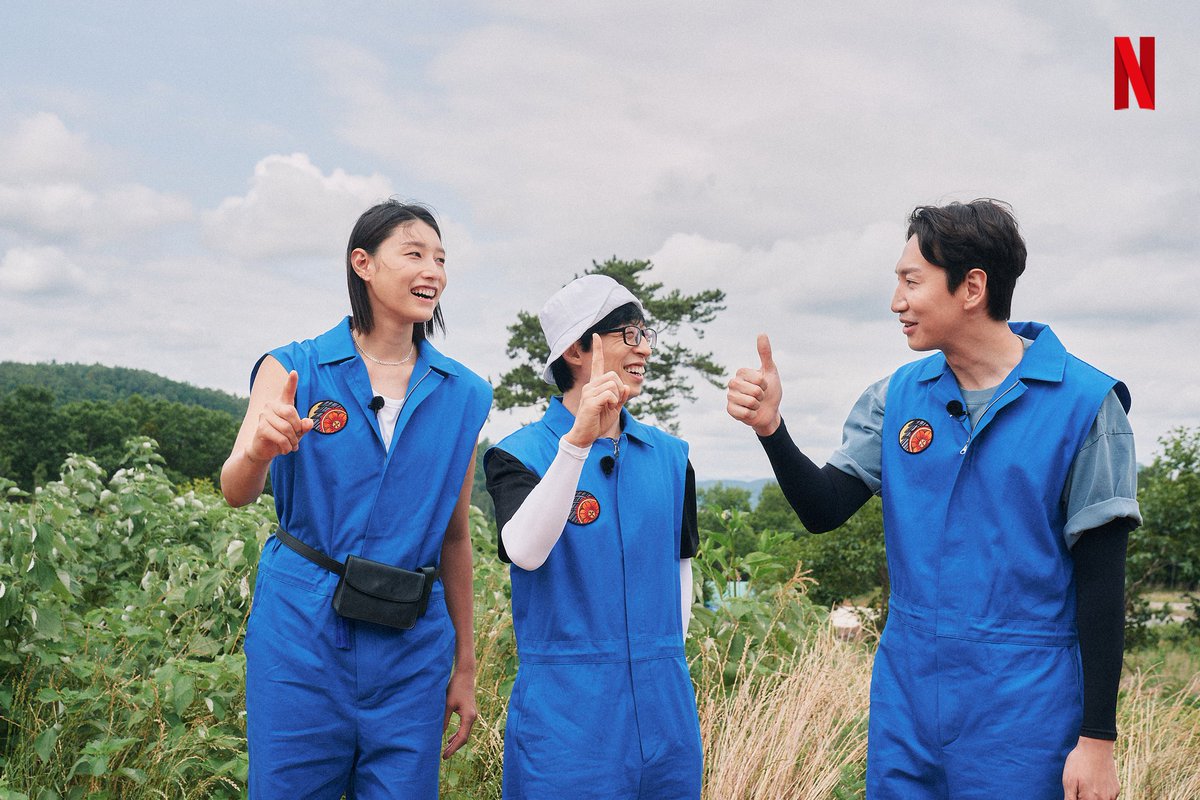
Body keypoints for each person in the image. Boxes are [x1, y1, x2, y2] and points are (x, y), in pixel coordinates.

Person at [727, 199, 1140, 800]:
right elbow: (823, 510)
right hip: (908, 699)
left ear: (972, 287)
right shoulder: (896, 397)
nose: (896, 301)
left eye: (910, 281)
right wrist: (772, 429)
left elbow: (1104, 581)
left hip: (1024, 706)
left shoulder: (1085, 405)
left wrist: (1096, 739)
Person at [220, 201, 491, 798]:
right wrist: (261, 450)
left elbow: (454, 535)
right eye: (415, 254)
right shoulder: (292, 367)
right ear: (362, 264)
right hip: (301, 631)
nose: (434, 271)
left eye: (441, 259)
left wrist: (465, 667)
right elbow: (236, 489)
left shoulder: (464, 393)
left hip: (410, 640)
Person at [484, 274, 703, 799]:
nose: (645, 347)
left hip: (664, 706)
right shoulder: (520, 455)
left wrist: (663, 662)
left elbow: (681, 577)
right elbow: (525, 550)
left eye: (646, 333)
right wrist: (578, 441)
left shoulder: (672, 458)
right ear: (578, 349)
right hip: (567, 719)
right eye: (629, 334)